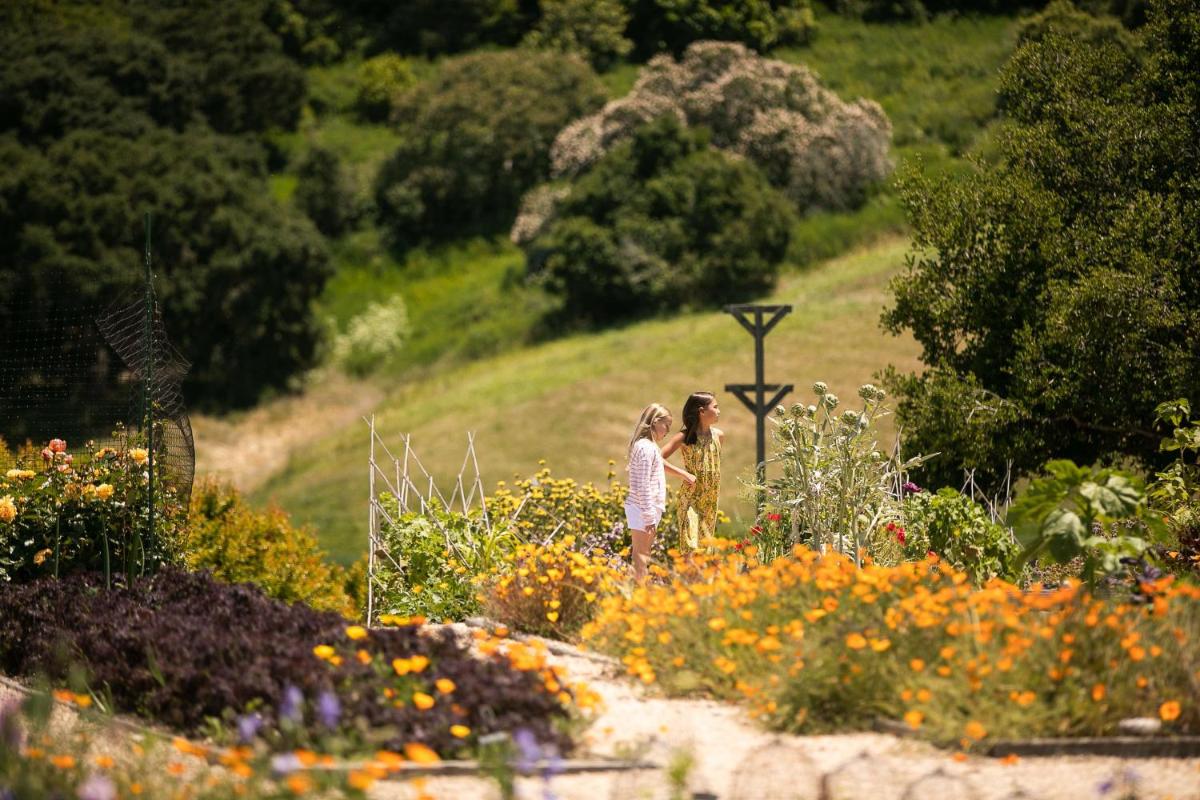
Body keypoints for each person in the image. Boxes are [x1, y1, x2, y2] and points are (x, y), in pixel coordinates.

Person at [626, 403, 694, 580]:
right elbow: (642, 484)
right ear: (655, 422)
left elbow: (659, 466)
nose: (667, 431)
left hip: (648, 507)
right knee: (640, 556)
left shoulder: (650, 447)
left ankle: (639, 588)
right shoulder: (645, 447)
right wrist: (648, 514)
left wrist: (683, 475)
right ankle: (637, 591)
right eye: (666, 426)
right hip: (643, 508)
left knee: (643, 555)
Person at [662, 392, 723, 552]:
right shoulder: (683, 437)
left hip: (710, 499)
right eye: (715, 407)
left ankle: (698, 578)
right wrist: (684, 474)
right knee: (690, 547)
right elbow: (656, 459)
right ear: (701, 411)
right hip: (690, 499)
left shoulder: (719, 436)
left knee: (705, 551)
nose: (718, 411)